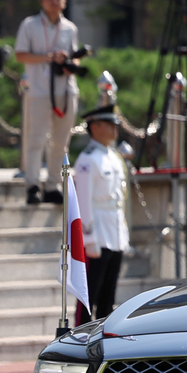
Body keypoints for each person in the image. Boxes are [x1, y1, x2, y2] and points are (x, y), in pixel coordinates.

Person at [14, 0, 80, 204]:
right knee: (36, 139)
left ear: (65, 2)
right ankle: (32, 183)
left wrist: (68, 62)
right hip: (39, 89)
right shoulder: (30, 25)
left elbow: (74, 56)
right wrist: (49, 57)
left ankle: (53, 184)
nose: (54, 1)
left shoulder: (70, 28)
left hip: (66, 89)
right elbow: (21, 55)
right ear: (42, 0)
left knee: (61, 141)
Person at [72, 105, 131, 319]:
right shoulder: (88, 159)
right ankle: (81, 337)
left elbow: (120, 200)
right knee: (89, 296)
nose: (115, 129)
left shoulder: (114, 157)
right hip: (97, 233)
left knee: (109, 296)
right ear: (95, 127)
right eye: (109, 125)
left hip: (114, 231)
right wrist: (88, 238)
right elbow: (83, 201)